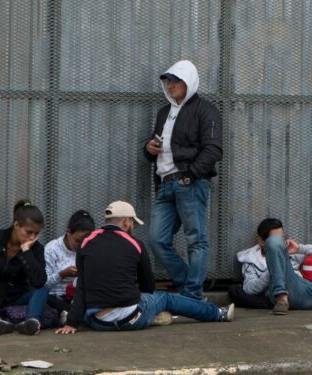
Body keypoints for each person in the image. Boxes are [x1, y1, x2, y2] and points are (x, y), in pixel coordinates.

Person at [55, 201, 233, 334]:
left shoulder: (86, 243)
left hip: (98, 323)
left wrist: (72, 322)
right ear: (125, 222)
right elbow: (148, 286)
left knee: (87, 292)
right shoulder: (135, 244)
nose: (132, 227)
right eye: (133, 223)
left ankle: (152, 317)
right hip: (131, 319)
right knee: (165, 298)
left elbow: (82, 287)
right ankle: (218, 313)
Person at [143, 60, 222, 301]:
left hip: (189, 183)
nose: (170, 86)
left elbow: (214, 150)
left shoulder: (205, 110)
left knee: (196, 240)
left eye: (176, 81)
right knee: (157, 240)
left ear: (189, 82)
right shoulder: (163, 112)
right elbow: (153, 149)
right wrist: (148, 148)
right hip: (165, 184)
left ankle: (191, 294)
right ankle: (189, 286)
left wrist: (190, 175)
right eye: (168, 81)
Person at [0, 199, 49, 335]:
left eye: (36, 234)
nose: (32, 237)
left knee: (43, 289)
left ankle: (32, 322)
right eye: (29, 232)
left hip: (17, 297)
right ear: (16, 225)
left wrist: (26, 252)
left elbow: (39, 281)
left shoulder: (36, 249)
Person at [229, 218, 312, 309]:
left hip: (300, 293)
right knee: (235, 290)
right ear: (261, 241)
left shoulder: (290, 252)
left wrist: (300, 248)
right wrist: (273, 270)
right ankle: (279, 301)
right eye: (274, 240)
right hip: (273, 296)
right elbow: (249, 289)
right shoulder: (251, 259)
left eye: (281, 239)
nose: (279, 243)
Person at [44, 210, 96, 322]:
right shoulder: (52, 249)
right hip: (56, 297)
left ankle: (70, 314)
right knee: (45, 297)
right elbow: (44, 284)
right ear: (68, 232)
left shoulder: (91, 249)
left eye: (85, 241)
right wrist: (62, 274)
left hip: (79, 297)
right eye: (78, 240)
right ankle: (72, 314)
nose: (81, 245)